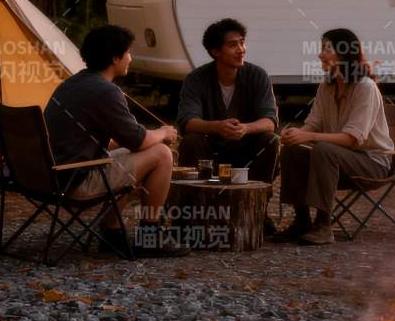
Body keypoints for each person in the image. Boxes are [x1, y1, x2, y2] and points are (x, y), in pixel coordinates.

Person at [44, 24, 177, 257]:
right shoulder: (105, 91)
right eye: (128, 52)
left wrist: (138, 141)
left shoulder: (71, 84)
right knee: (161, 154)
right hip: (74, 181)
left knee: (128, 157)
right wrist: (164, 132)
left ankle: (112, 233)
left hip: (48, 177)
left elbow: (95, 139)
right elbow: (138, 140)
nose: (130, 58)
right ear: (115, 58)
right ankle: (150, 237)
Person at [277, 28, 393, 244]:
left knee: (323, 149)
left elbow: (352, 139)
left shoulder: (365, 87)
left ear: (344, 54)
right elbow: (313, 124)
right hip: (337, 160)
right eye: (321, 49)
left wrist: (310, 137)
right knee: (293, 150)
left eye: (326, 49)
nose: (320, 55)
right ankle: (301, 221)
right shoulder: (326, 86)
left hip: (372, 163)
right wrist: (297, 134)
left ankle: (323, 226)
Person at [176, 20, 280, 204]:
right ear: (215, 51)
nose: (241, 49)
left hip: (246, 148)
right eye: (233, 45)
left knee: (270, 139)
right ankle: (194, 207)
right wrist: (217, 127)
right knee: (191, 140)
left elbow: (270, 120)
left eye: (242, 42)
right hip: (210, 149)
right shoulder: (196, 79)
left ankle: (257, 206)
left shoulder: (258, 75)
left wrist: (245, 129)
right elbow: (187, 121)